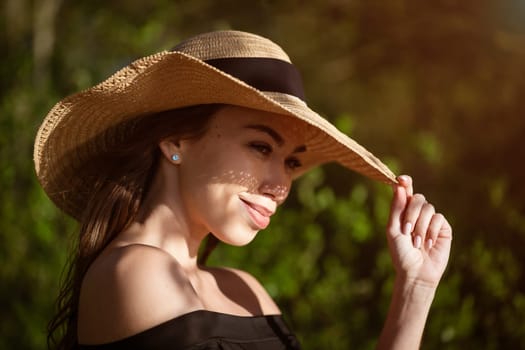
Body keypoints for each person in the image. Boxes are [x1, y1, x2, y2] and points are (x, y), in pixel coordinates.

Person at [35, 30, 452, 350]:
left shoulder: (245, 289)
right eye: (260, 146)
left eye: (290, 161)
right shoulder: (133, 275)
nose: (280, 186)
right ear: (176, 139)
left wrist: (414, 288)